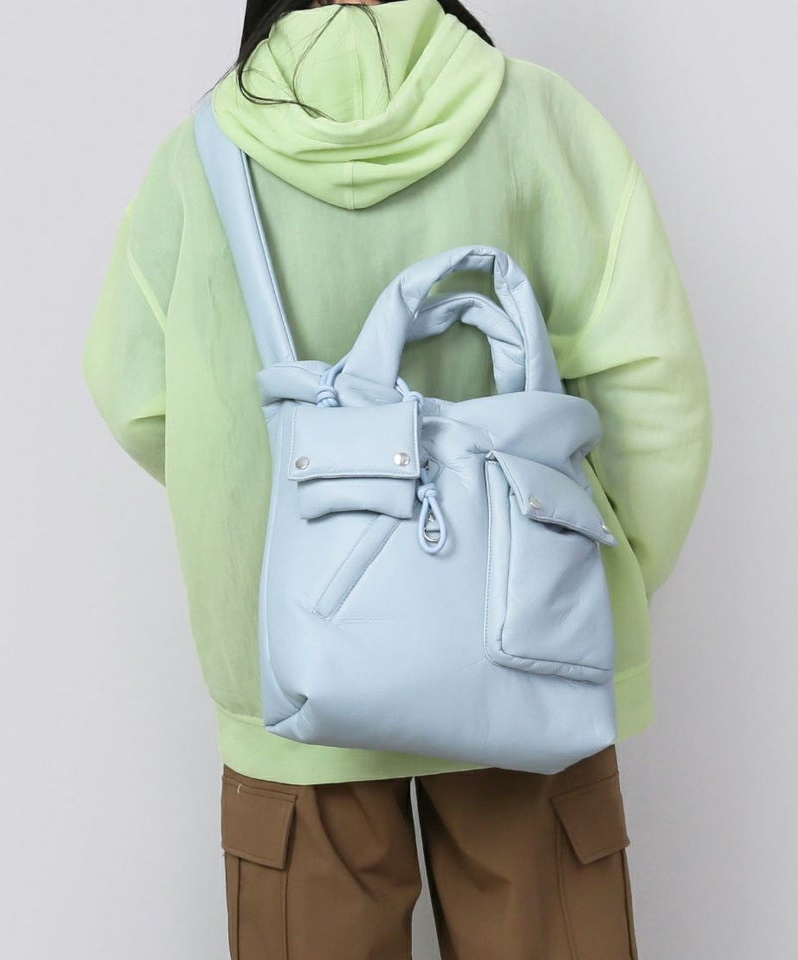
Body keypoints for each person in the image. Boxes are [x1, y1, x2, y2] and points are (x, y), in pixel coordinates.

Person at [81, 0, 713, 956]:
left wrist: (281, 522)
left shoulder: (199, 156)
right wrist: (588, 581)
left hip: (295, 680)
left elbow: (135, 399)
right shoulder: (541, 118)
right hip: (525, 664)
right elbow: (655, 386)